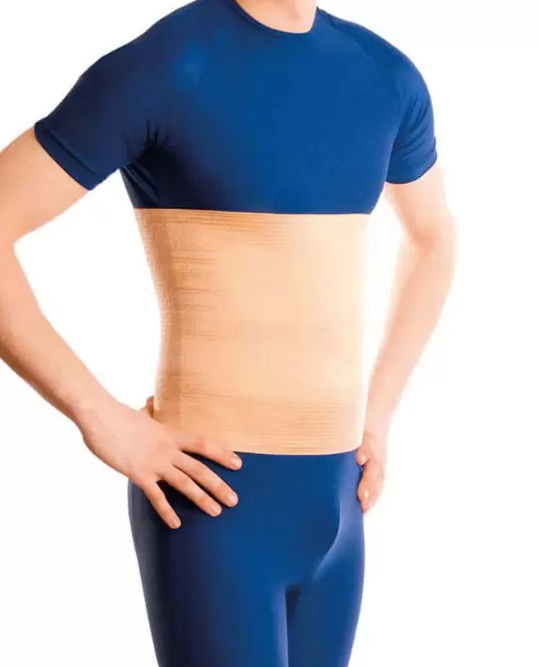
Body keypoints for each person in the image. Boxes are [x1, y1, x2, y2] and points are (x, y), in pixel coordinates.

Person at [0, 0, 456, 665]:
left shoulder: (386, 77)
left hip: (339, 505)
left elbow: (434, 239)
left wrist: (378, 413)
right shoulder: (169, 65)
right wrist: (96, 415)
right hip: (213, 503)